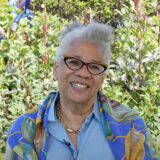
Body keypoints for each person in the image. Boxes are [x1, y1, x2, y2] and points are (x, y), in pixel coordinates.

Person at [4, 21, 159, 160]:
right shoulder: (24, 131)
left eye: (95, 66)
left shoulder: (130, 126)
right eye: (74, 62)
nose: (84, 73)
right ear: (56, 69)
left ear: (103, 78)